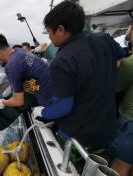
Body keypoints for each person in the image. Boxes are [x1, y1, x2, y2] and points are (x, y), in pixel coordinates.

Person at [31, 0, 127, 173]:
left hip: (78, 137)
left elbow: (63, 106)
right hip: (107, 131)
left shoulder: (62, 61)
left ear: (60, 29)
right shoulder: (104, 39)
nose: (49, 38)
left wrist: (42, 112)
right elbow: (122, 56)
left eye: (49, 32)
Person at [0, 34, 50, 109]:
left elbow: (18, 101)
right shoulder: (18, 50)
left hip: (50, 100)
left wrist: (2, 102)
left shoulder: (11, 66)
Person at [110, 26, 133, 176]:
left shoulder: (129, 64)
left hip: (130, 123)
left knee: (117, 168)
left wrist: (117, 66)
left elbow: (114, 87)